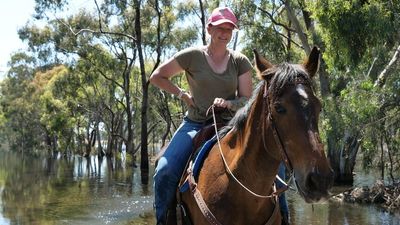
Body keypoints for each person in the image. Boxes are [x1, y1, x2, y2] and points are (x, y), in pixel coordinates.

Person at [150, 6, 288, 225]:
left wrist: (228, 103)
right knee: (164, 170)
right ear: (209, 28)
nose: (224, 34)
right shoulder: (192, 56)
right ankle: (164, 219)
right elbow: (157, 76)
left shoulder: (240, 61)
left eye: (229, 29)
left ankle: (284, 218)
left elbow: (246, 99)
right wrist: (182, 94)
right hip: (195, 123)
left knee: (275, 164)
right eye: (220, 28)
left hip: (232, 124)